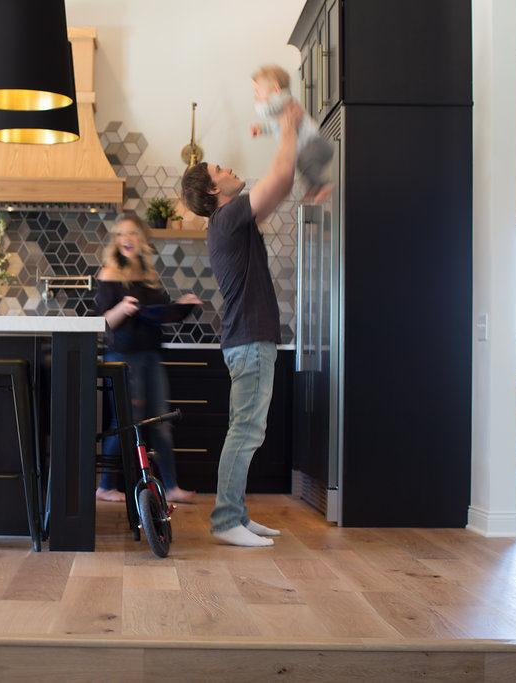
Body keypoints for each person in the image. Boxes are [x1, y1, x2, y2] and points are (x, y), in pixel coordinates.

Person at [179, 95, 303, 547]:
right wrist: (287, 123)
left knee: (246, 429)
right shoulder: (229, 217)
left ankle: (237, 514)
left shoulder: (233, 221)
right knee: (246, 431)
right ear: (214, 191)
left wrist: (281, 132)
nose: (226, 167)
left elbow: (280, 185)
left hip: (248, 340)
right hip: (250, 341)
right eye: (219, 170)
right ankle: (227, 519)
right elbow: (282, 176)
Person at [95, 212, 202, 504]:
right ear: (116, 241)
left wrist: (182, 306)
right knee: (127, 421)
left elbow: (161, 314)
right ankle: (105, 486)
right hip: (123, 356)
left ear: (142, 240)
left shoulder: (148, 276)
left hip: (151, 356)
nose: (127, 239)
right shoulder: (109, 274)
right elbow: (105, 322)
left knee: (161, 422)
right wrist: (123, 308)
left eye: (133, 233)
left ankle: (171, 487)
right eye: (121, 234)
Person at [250, 64, 333, 204]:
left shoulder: (285, 100)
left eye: (258, 91)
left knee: (305, 161)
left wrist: (259, 104)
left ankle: (324, 185)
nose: (255, 96)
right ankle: (315, 186)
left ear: (276, 89)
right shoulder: (280, 112)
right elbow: (275, 126)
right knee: (301, 164)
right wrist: (262, 129)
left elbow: (267, 110)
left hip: (316, 144)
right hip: (311, 146)